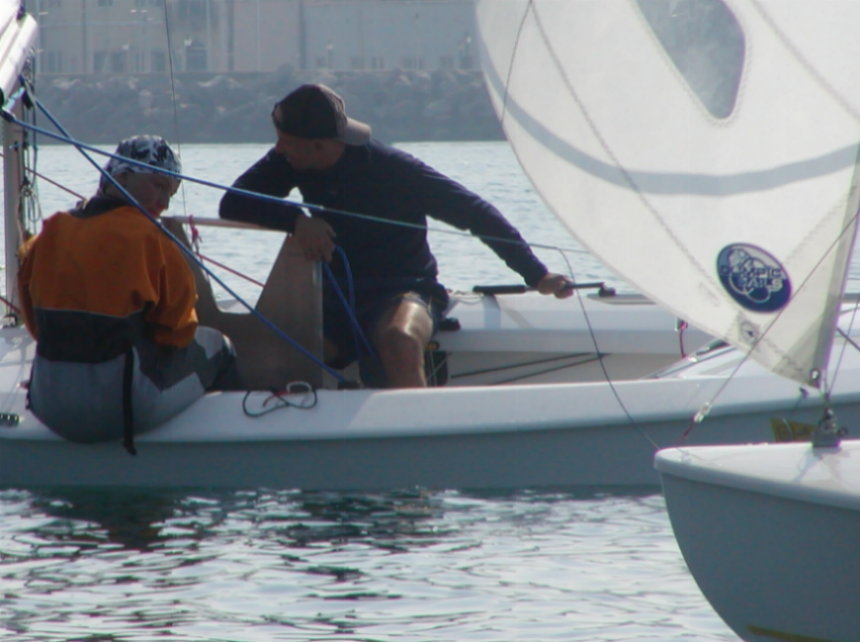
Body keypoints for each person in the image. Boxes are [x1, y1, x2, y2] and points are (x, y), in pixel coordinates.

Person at [219, 84, 572, 388]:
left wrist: (536, 274)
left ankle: (417, 434)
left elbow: (476, 214)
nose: (279, 149)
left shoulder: (394, 170)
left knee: (397, 339)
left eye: (286, 142)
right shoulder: (289, 161)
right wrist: (296, 220)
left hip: (404, 290)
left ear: (320, 145)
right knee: (278, 351)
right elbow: (233, 203)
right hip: (337, 297)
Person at [18, 135, 239, 452]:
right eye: (159, 186)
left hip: (49, 406)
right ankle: (226, 453)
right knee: (220, 347)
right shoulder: (150, 238)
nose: (164, 203)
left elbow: (35, 327)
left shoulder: (47, 234)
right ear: (122, 177)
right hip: (121, 411)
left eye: (170, 193)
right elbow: (177, 332)